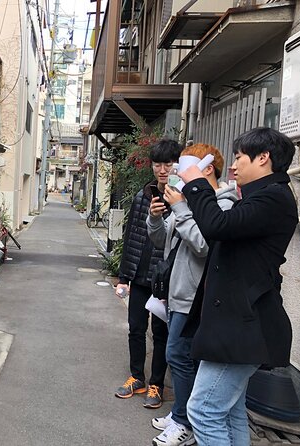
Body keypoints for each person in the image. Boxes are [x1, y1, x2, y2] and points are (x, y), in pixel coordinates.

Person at [178, 127, 298, 445]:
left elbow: (218, 225)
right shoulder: (264, 195)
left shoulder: (274, 197)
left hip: (243, 325)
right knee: (228, 411)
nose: (233, 165)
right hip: (238, 325)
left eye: (239, 157)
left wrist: (198, 185)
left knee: (203, 410)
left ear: (263, 158)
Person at [147, 144, 238, 446]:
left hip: (195, 297)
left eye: (184, 167)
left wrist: (183, 210)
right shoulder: (186, 200)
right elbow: (163, 241)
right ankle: (179, 414)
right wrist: (156, 218)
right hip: (176, 293)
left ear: (207, 169)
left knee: (179, 355)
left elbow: (205, 246)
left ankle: (184, 423)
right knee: (179, 356)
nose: (175, 174)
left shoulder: (222, 205)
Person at [115, 139, 182, 409]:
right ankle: (137, 377)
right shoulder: (144, 195)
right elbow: (131, 236)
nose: (162, 170)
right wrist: (123, 276)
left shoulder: (182, 198)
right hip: (139, 275)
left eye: (168, 164)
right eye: (157, 164)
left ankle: (156, 383)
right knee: (136, 329)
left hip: (164, 280)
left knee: (161, 331)